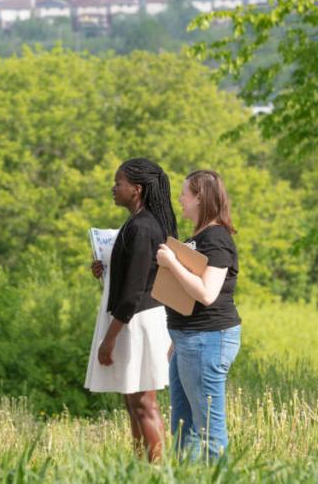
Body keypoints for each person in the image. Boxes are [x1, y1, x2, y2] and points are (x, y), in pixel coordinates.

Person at [85, 158, 176, 462]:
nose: (113, 188)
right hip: (132, 321)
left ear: (136, 189)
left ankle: (157, 470)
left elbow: (136, 291)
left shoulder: (143, 227)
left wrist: (109, 339)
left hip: (138, 322)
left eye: (118, 183)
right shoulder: (137, 224)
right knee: (132, 401)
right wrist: (108, 268)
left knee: (144, 403)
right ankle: (140, 469)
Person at [155, 170, 241, 462]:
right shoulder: (199, 237)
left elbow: (206, 293)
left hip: (209, 339)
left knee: (208, 430)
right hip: (188, 340)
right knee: (184, 427)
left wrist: (171, 262)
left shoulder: (216, 238)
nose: (179, 199)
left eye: (184, 194)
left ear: (200, 198)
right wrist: (176, 339)